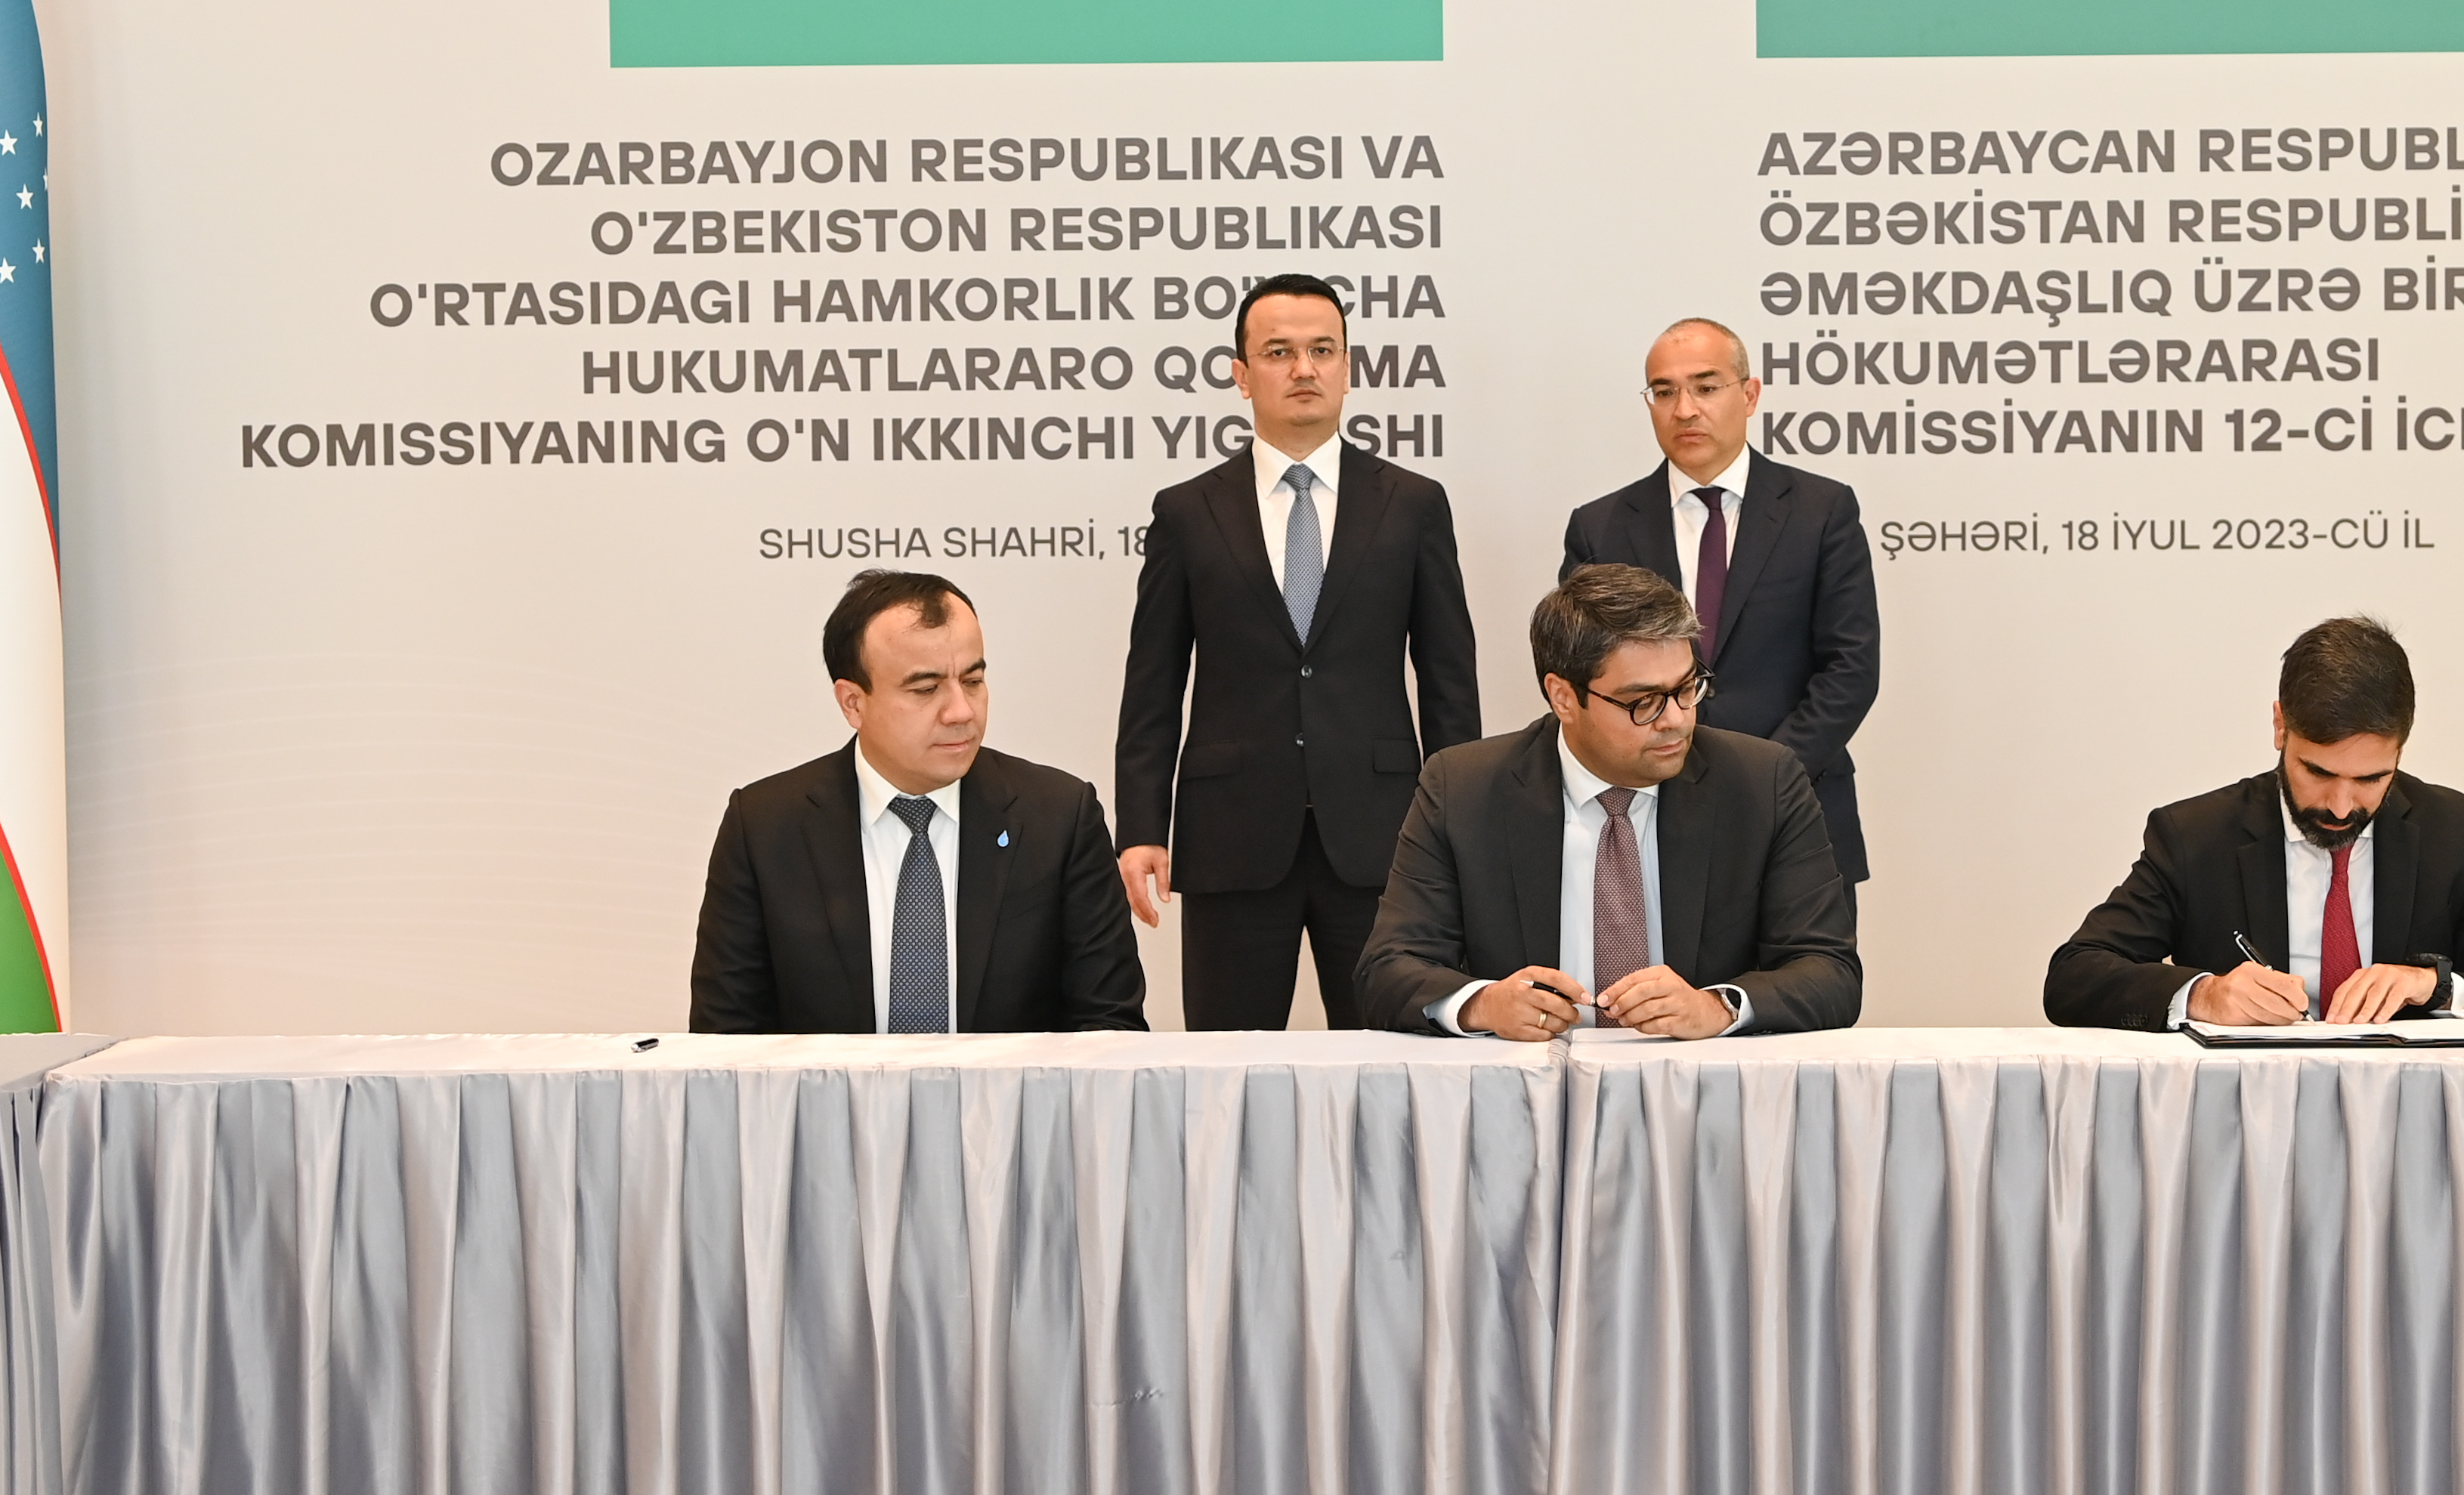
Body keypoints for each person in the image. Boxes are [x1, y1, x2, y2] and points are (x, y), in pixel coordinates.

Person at [1115, 274, 1482, 1030]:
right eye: (1279, 352)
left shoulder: (1412, 503)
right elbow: (1153, 683)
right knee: (1226, 1068)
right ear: (1242, 375)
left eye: (1322, 350)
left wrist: (1461, 823)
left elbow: (1448, 677)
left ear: (1348, 367)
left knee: (1395, 1059)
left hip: (1384, 836)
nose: (1303, 368)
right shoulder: (1187, 510)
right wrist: (1142, 826)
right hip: (1232, 836)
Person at [1357, 564, 1860, 1039]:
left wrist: (1718, 1006)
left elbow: (1830, 971)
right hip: (1528, 1084)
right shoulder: (1463, 788)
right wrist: (1483, 1004)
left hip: (1698, 1085)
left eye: (1687, 688)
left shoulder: (1762, 782)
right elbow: (1387, 970)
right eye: (1644, 701)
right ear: (1564, 697)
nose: (1676, 719)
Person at [2043, 615, 2464, 1029]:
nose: (2341, 806)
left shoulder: (2455, 832)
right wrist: (2205, 995)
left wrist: (2435, 986)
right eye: (2318, 772)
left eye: (2371, 779)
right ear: (2280, 726)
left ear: (2401, 750)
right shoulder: (2196, 836)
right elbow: (2073, 976)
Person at [692, 571, 1147, 1034]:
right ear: (853, 703)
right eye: (926, 689)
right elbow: (725, 1040)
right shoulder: (765, 827)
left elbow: (1109, 1027)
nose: (961, 711)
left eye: (972, 681)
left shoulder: (1058, 818)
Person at [1560, 318, 1881, 882]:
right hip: (1647, 815)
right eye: (1664, 392)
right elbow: (1582, 672)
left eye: (1706, 387)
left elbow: (1850, 668)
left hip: (1798, 807)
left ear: (1750, 394)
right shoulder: (1601, 527)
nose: (1684, 409)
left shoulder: (1821, 511)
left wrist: (1766, 778)